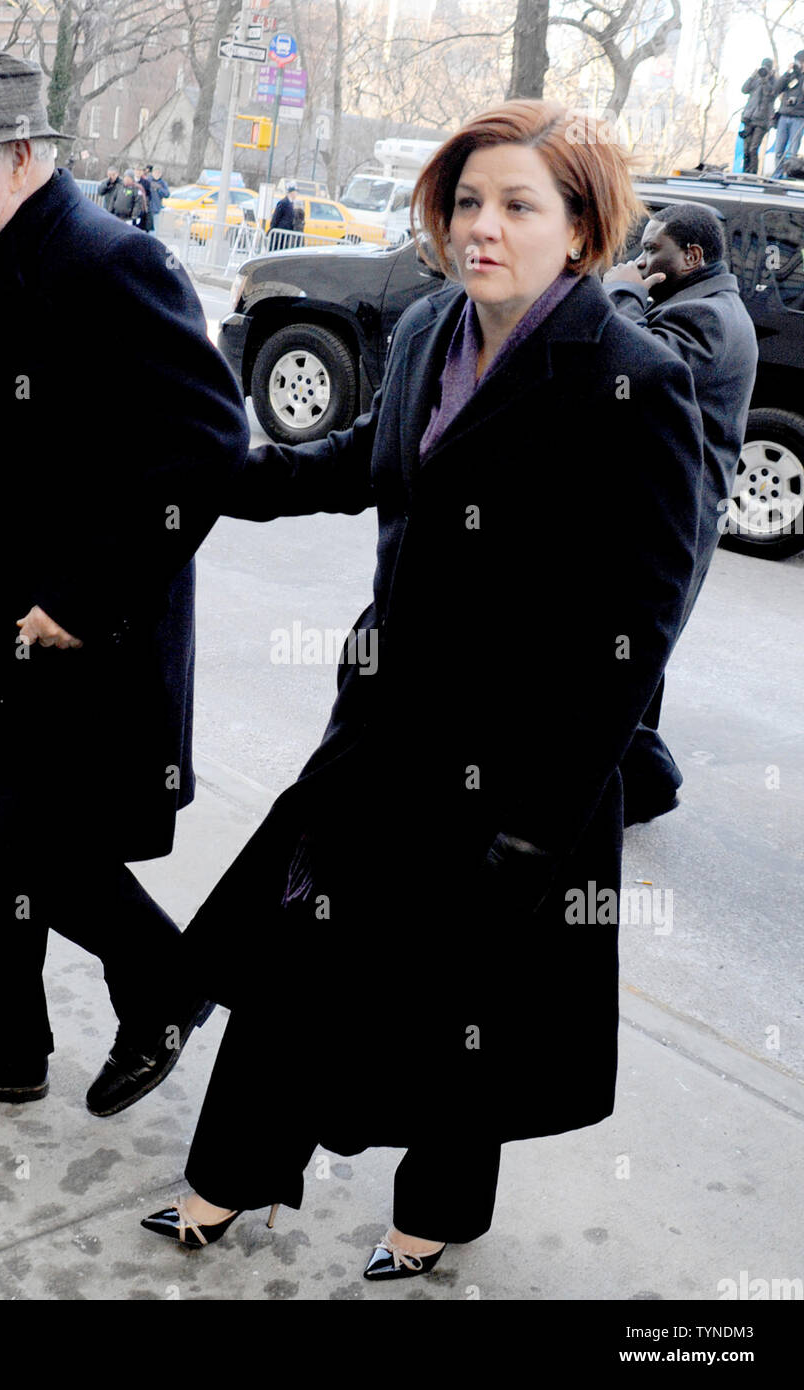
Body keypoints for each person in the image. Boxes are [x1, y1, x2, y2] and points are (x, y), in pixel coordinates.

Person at [139, 101, 705, 1281]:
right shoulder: (430, 328)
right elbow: (378, 463)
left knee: (470, 1015)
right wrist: (242, 479)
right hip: (381, 733)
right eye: (464, 202)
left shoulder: (631, 379)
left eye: (516, 205)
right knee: (297, 959)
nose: (479, 228)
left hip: (517, 773)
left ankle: (433, 1215)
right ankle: (225, 1179)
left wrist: (539, 819)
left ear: (584, 228)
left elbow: (640, 625)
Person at [0, 51, 249, 1117]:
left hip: (80, 635)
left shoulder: (109, 260)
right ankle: (4, 1039)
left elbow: (213, 441)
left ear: (26, 157)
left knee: (35, 846)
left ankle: (168, 985)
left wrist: (85, 597)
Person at [604, 203, 758, 826]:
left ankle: (646, 786)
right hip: (667, 522)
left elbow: (633, 374)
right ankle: (617, 785)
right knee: (633, 662)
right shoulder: (712, 306)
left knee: (620, 664)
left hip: (664, 529)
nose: (642, 262)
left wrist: (620, 293)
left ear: (692, 258)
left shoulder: (707, 318)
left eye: (653, 250)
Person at [739, 59, 776, 174]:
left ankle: (752, 174)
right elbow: (744, 90)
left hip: (762, 120)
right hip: (749, 118)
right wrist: (752, 76)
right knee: (746, 149)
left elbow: (769, 94)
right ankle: (745, 172)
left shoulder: (773, 81)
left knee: (753, 149)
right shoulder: (755, 78)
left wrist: (766, 79)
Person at [772, 51, 804, 176]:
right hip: (784, 116)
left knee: (792, 151)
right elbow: (776, 89)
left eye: (799, 62)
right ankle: (777, 176)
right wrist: (787, 73)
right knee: (779, 149)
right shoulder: (791, 76)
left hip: (799, 118)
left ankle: (788, 175)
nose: (797, 64)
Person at [267, 182, 297, 249]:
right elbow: (276, 217)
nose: (296, 194)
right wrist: (273, 228)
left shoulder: (291, 203)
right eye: (295, 192)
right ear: (292, 193)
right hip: (279, 232)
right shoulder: (283, 202)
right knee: (275, 248)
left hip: (285, 232)